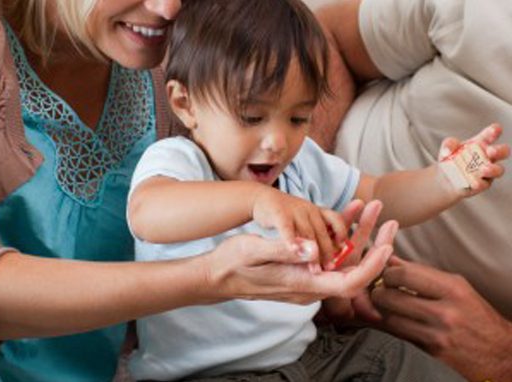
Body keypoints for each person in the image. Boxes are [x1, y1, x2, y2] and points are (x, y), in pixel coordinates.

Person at [0, 0, 399, 381]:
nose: (167, 10)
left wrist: (329, 258)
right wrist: (209, 277)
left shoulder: (181, 43)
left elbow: (298, 63)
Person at [125, 0, 507, 380]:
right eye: (252, 117)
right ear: (184, 103)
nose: (277, 141)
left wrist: (445, 180)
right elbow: (147, 214)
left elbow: (379, 194)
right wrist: (257, 200)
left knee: (400, 363)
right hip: (207, 374)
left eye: (298, 118)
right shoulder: (179, 161)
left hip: (309, 354)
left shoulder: (301, 161)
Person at [303, 0, 512, 380]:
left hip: (399, 356)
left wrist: (505, 357)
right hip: (275, 207)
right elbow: (322, 41)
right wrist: (302, 193)